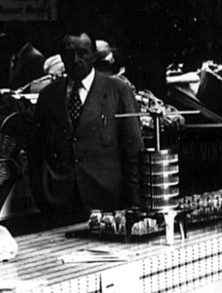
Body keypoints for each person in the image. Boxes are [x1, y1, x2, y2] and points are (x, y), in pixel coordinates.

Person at [28, 28, 143, 226]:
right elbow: (36, 151)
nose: (75, 60)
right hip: (60, 206)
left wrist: (134, 206)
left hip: (107, 204)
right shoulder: (49, 95)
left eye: (83, 53)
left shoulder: (117, 90)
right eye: (69, 54)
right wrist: (43, 195)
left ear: (93, 56)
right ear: (61, 57)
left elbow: (133, 152)